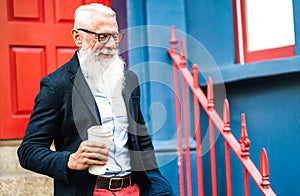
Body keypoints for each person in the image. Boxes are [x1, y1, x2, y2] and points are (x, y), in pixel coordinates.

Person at [17, 3, 174, 196]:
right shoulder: (56, 86)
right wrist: (70, 160)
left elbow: (140, 139)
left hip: (133, 189)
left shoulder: (129, 79)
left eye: (115, 36)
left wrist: (156, 183)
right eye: (101, 36)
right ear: (77, 37)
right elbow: (28, 151)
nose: (110, 44)